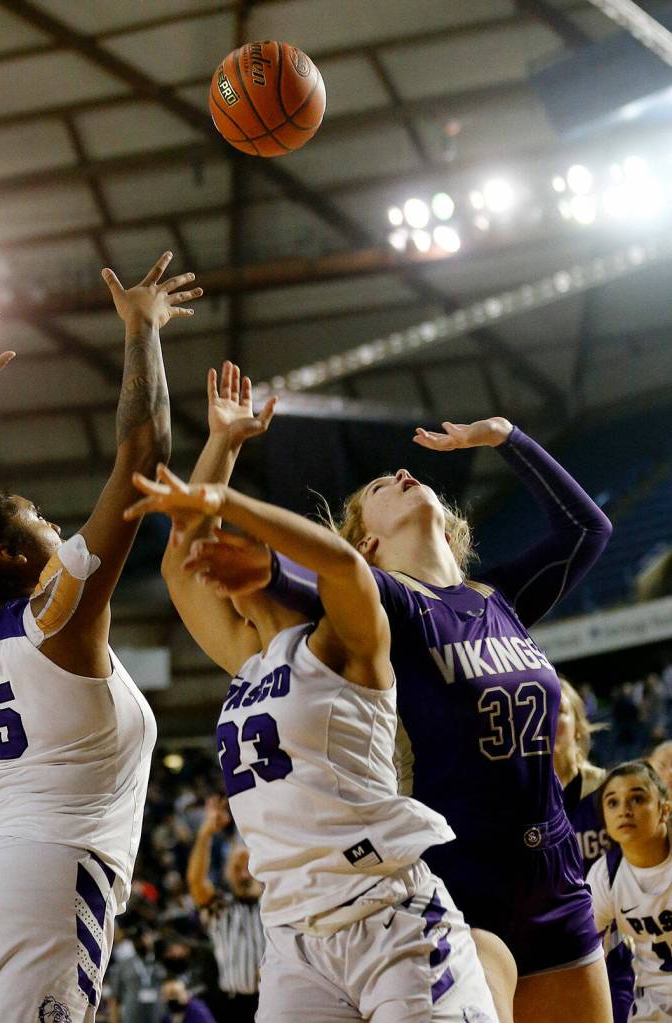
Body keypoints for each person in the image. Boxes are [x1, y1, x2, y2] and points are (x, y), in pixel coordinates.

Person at [178, 414, 614, 1023]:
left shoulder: (497, 598)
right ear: (365, 545)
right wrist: (268, 565)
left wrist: (507, 437)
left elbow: (589, 529)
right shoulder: (386, 603)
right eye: (381, 487)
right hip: (459, 880)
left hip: (554, 876)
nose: (404, 473)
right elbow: (331, 582)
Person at [123, 364, 500, 1023]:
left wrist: (228, 508)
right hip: (294, 937)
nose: (215, 560)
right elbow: (179, 558)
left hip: (389, 914)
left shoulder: (342, 644)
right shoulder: (248, 660)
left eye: (234, 548)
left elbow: (345, 566)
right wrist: (223, 444)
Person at [0, 254, 202, 1023]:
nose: (55, 525)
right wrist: (141, 330)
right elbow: (142, 455)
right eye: (39, 520)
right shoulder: (57, 617)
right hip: (41, 880)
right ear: (10, 554)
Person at [555, 679, 634, 1023]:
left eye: (558, 711)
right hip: (559, 953)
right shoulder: (524, 805)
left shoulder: (610, 791)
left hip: (620, 948)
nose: (547, 720)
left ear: (578, 725)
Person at [588, 761, 672, 1022]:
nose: (624, 810)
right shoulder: (605, 876)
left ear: (664, 810)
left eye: (637, 799)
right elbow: (585, 953)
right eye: (613, 803)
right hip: (653, 1001)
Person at [186, 796, 264, 1023]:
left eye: (248, 867)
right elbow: (196, 882)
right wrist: (205, 834)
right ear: (227, 874)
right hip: (232, 1006)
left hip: (274, 999)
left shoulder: (275, 902)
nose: (243, 874)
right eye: (236, 868)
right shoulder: (221, 907)